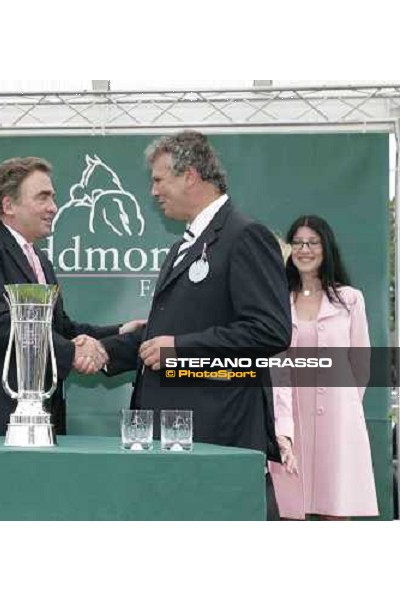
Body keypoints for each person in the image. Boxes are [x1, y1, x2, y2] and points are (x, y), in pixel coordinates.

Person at [93, 130, 292, 520]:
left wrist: (182, 348)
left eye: (158, 179)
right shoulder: (183, 244)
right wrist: (103, 349)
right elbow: (166, 334)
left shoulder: (245, 236)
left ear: (191, 176)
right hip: (174, 436)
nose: (153, 191)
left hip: (218, 431)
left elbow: (270, 329)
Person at [0, 156, 144, 437]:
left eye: (53, 198)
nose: (53, 208)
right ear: (9, 205)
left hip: (38, 418)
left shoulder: (40, 259)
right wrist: (74, 352)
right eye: (43, 198)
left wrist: (116, 332)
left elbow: (60, 328)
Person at [269, 215, 378, 519]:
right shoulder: (278, 301)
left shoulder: (350, 299)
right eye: (298, 242)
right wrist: (282, 424)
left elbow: (361, 362)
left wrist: (345, 405)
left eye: (313, 242)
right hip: (289, 418)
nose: (305, 249)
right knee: (290, 510)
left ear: (326, 248)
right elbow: (275, 364)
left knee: (337, 508)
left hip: (339, 419)